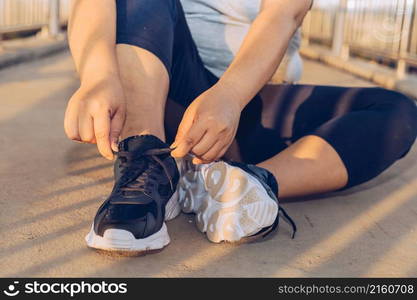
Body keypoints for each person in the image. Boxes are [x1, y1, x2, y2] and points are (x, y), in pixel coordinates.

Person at [64, 0, 417, 254]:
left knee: (395, 110)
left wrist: (230, 96)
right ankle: (148, 160)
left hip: (243, 101)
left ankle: (247, 186)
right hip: (164, 89)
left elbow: (284, 11)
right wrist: (98, 78)